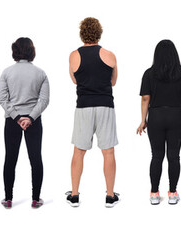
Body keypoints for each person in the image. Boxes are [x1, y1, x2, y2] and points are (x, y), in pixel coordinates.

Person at [66, 17, 120, 208]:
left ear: (82, 34)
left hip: (84, 106)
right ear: (99, 33)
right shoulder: (110, 55)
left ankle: (74, 195)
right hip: (105, 105)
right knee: (108, 151)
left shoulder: (73, 55)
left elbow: (75, 80)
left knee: (79, 151)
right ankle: (110, 196)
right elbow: (113, 82)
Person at [136, 39, 181, 205]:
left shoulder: (149, 73)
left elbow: (146, 98)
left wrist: (143, 120)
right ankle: (173, 193)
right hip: (176, 115)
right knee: (174, 156)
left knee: (157, 155)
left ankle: (154, 193)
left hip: (155, 116)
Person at [0, 37, 49, 209]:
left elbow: (2, 98)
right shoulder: (41, 73)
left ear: (14, 51)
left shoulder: (6, 72)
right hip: (33, 121)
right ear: (32, 51)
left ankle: (8, 199)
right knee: (36, 159)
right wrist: (31, 118)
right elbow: (44, 100)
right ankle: (36, 199)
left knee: (10, 159)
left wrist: (16, 117)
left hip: (12, 121)